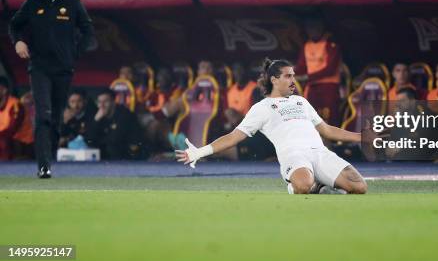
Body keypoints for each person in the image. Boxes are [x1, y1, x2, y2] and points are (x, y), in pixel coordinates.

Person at [176, 59, 367, 194]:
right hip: (293, 155)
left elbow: (327, 130)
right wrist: (199, 153)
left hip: (319, 152)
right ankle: (299, 185)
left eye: (293, 76)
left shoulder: (301, 101)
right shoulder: (262, 108)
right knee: (302, 185)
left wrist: (362, 136)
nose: (293, 81)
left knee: (359, 186)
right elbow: (234, 137)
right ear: (274, 80)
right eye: (288, 76)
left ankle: (319, 184)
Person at [9, 0, 94, 178]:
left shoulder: (73, 4)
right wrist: (18, 42)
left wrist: (75, 53)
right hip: (39, 68)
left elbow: (88, 32)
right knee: (43, 115)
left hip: (64, 70)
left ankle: (49, 154)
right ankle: (43, 166)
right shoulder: (32, 3)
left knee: (55, 119)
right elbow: (14, 25)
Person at [85, 89, 144, 160]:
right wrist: (95, 121)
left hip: (130, 152)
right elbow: (89, 139)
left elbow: (115, 139)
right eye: (99, 102)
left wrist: (99, 140)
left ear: (113, 102)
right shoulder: (98, 116)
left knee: (111, 147)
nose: (102, 105)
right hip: (111, 153)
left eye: (106, 101)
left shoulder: (124, 115)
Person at [0, 77, 24, 160]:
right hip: (3, 138)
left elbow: (12, 129)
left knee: (3, 141)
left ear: (4, 90)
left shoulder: (15, 105)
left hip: (21, 142)